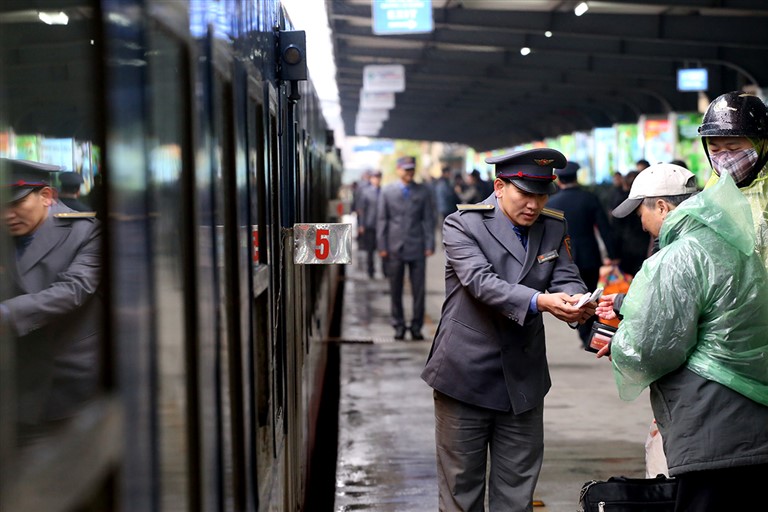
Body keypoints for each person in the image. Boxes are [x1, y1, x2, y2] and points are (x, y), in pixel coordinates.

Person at [421, 148, 594, 511]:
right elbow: (481, 283)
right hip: (465, 374)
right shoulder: (462, 224)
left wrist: (578, 303)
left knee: (517, 493)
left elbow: (566, 276)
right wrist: (541, 302)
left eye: (542, 195)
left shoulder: (553, 225)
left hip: (523, 379)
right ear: (499, 186)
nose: (534, 205)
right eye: (525, 194)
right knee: (461, 492)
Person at [597, 163, 768, 511]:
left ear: (661, 207)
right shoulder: (731, 243)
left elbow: (655, 347)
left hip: (711, 422)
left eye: (641, 212)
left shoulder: (676, 257)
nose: (641, 224)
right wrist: (625, 301)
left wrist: (618, 345)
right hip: (754, 420)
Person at [1, 158, 102, 440]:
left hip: (63, 379)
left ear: (46, 196)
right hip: (12, 379)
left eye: (14, 204)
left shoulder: (87, 231)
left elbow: (74, 289)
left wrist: (7, 313)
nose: (5, 215)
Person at [546, 161, 618, 347]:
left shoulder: (552, 202)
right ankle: (590, 335)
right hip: (589, 255)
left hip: (563, 257)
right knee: (590, 295)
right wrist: (612, 253)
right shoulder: (590, 198)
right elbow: (604, 228)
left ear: (559, 180)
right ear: (576, 177)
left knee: (575, 296)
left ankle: (584, 333)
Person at [698, 90, 768, 268]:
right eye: (714, 150)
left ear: (762, 144)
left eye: (733, 148)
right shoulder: (711, 190)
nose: (724, 159)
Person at [377, 156, 435, 340]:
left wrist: (429, 243)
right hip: (394, 247)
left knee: (419, 290)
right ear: (398, 170)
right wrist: (382, 245)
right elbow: (382, 220)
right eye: (406, 169)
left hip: (417, 246)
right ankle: (399, 326)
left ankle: (416, 327)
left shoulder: (423, 191)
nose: (409, 172)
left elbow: (428, 219)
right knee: (395, 289)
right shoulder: (387, 192)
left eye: (412, 169)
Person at [612, 170, 651, 276]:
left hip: (627, 247)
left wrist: (614, 253)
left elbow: (616, 228)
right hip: (642, 246)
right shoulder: (646, 202)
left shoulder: (619, 199)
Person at [356, 169, 383, 278]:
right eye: (374, 177)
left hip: (381, 225)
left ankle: (385, 272)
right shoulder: (365, 192)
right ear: (371, 179)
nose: (376, 180)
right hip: (369, 225)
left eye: (378, 177)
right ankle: (370, 271)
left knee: (382, 249)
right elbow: (362, 210)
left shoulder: (383, 191)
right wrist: (361, 225)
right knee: (370, 251)